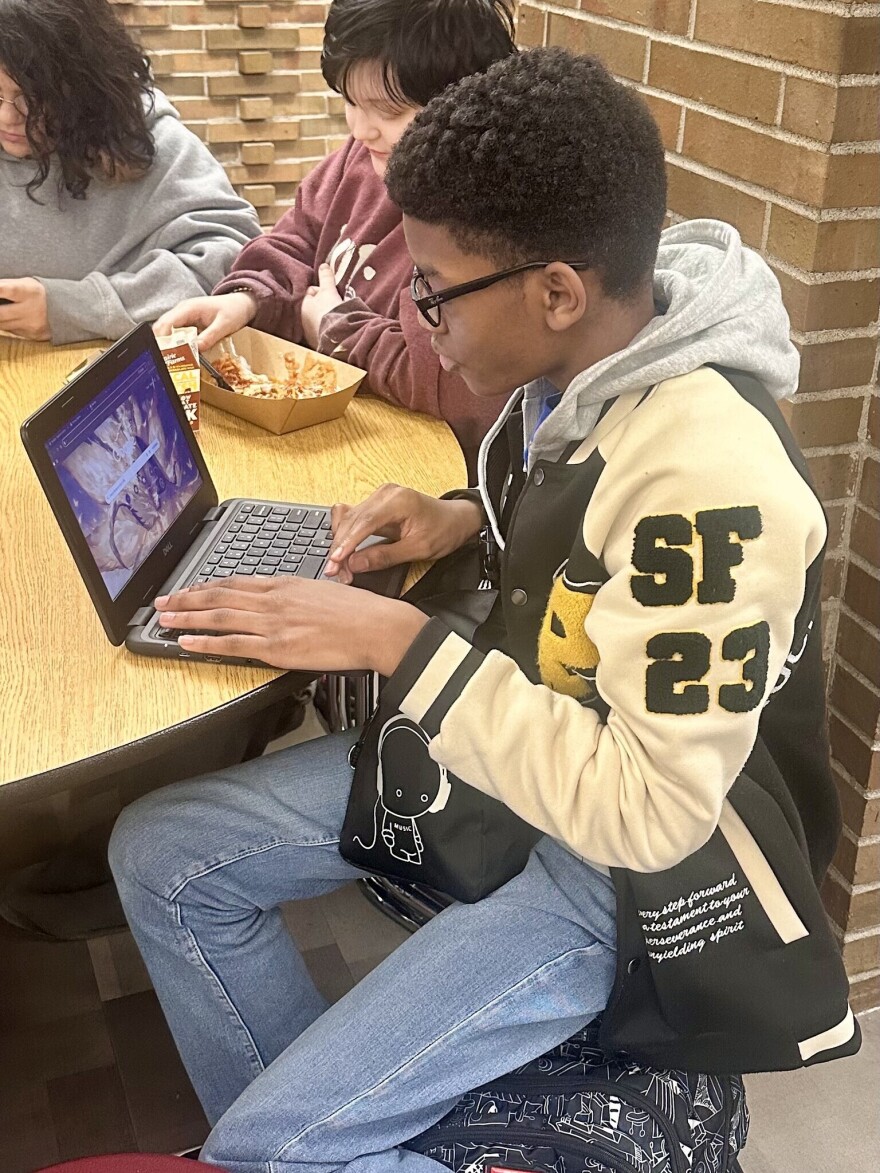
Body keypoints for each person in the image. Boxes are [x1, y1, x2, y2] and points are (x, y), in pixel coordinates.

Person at [109, 48, 842, 1173]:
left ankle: (299, 1142)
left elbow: (650, 817)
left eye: (432, 291)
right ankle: (331, 1126)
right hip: (522, 754)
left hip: (623, 872)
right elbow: (582, 567)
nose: (416, 318)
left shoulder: (707, 479)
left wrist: (399, 642)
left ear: (554, 290)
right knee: (165, 852)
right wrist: (461, 516)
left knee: (266, 1149)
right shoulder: (591, 361)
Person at [154, 0, 517, 478]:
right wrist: (247, 300)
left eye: (388, 110)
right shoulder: (362, 158)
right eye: (350, 101)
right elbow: (296, 238)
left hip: (424, 471)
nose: (361, 129)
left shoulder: (476, 221)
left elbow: (454, 384)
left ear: (463, 103)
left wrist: (336, 326)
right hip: (333, 438)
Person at [0, 0, 261, 346]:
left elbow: (233, 260)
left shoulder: (148, 143)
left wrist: (77, 308)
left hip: (124, 373)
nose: (7, 117)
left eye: (30, 98)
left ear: (80, 87)